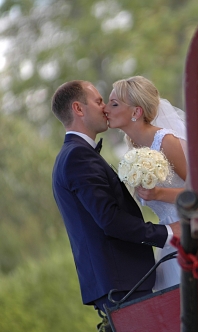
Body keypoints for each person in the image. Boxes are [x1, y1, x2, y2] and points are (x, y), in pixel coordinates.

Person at [51, 80, 179, 326]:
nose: (105, 108)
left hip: (121, 283)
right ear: (79, 109)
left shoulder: (74, 155)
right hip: (122, 283)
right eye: (99, 101)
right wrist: (169, 232)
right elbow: (111, 220)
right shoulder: (78, 157)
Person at [105, 76, 187, 291]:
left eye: (114, 104)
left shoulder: (167, 142)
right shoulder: (134, 150)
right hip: (170, 241)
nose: (105, 109)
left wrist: (159, 193)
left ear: (136, 112)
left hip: (192, 230)